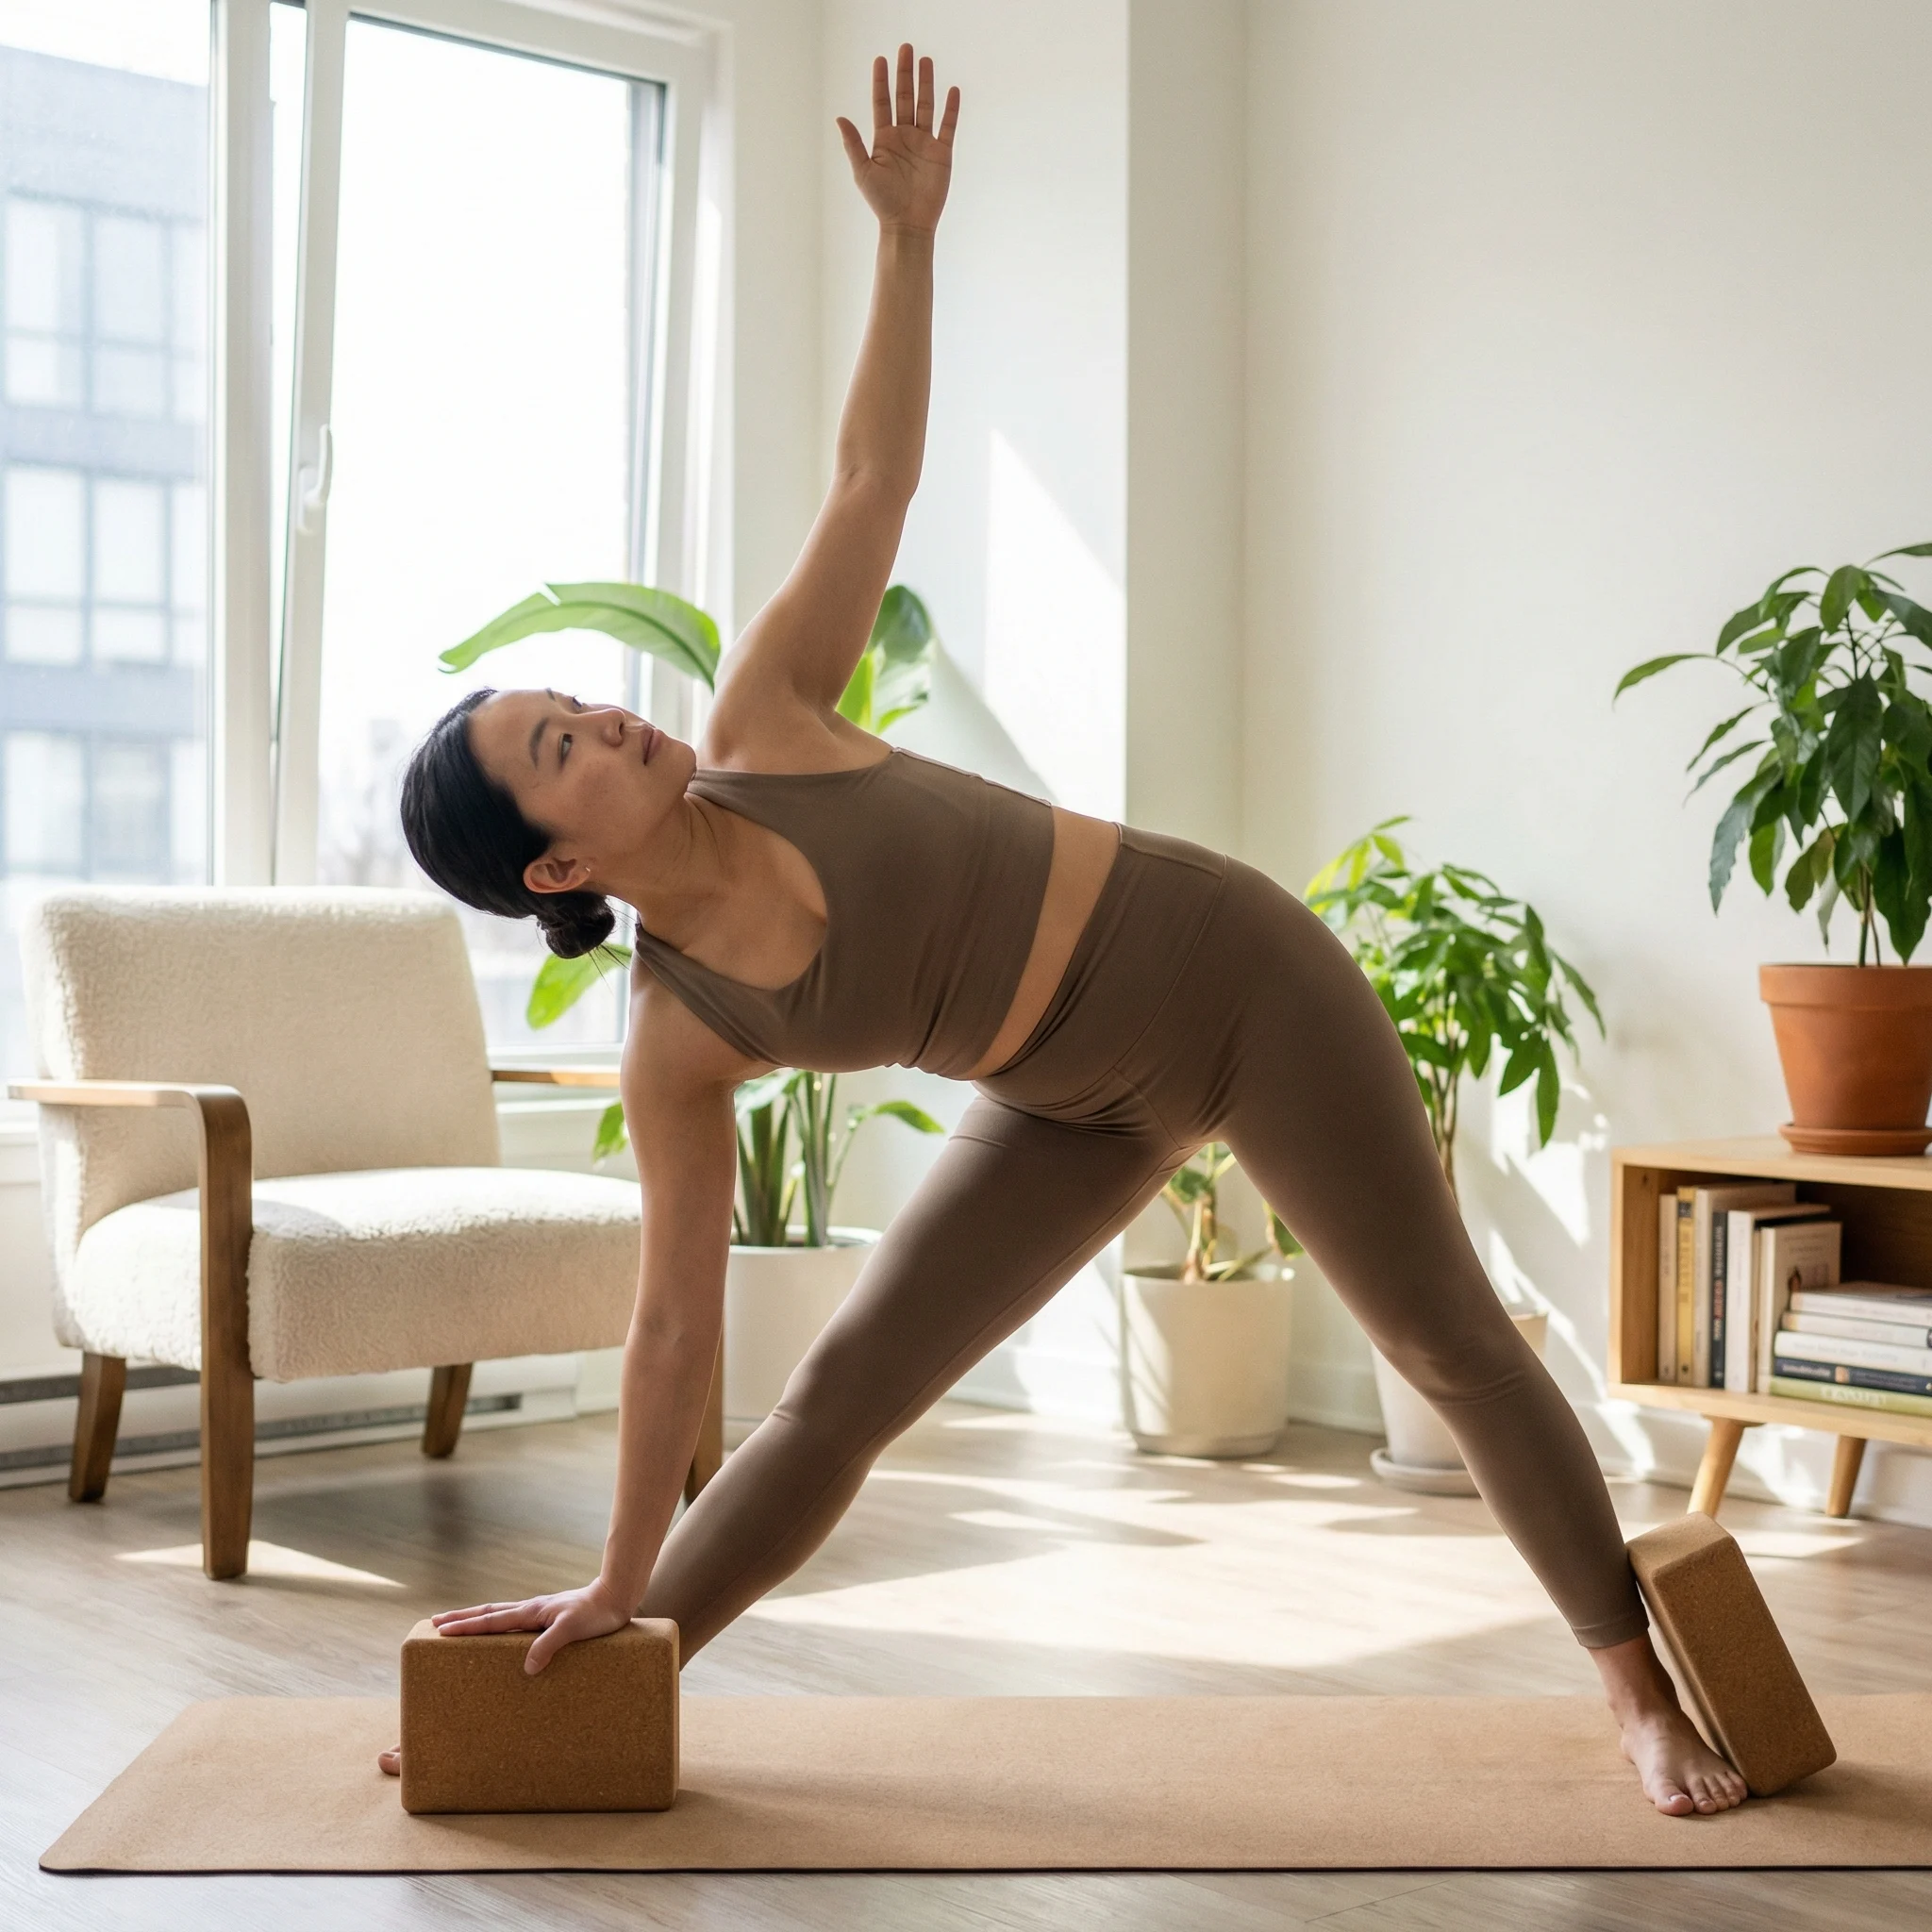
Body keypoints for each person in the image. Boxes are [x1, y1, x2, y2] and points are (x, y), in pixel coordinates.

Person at [390, 45, 1743, 1819]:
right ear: (555, 872)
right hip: (1069, 1106)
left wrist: (908, 241)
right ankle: (621, 1671)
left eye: (577, 702)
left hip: (1237, 982)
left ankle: (1639, 1692)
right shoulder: (681, 1038)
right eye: (562, 749)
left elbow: (873, 475)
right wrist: (619, 1567)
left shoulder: (766, 722)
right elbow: (669, 1338)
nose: (610, 721)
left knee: (1440, 1335)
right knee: (838, 1397)